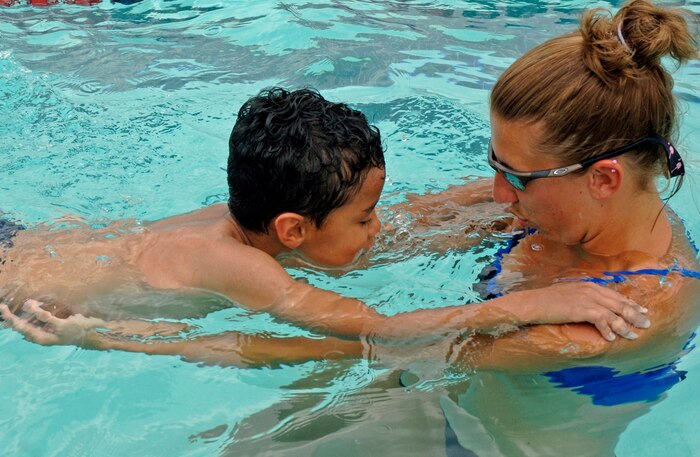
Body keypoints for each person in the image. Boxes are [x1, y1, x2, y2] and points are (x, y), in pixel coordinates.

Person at [5, 1, 697, 455]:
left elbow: (364, 351)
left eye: (515, 177)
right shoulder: (538, 206)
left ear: (603, 176)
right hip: (420, 396)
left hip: (479, 443)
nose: (492, 193)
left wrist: (114, 339)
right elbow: (350, 237)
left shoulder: (635, 308)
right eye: (494, 163)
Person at [0, 88, 646, 352]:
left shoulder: (244, 217)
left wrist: (525, 189)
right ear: (291, 230)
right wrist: (531, 304)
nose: (379, 226)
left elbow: (404, 220)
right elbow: (377, 328)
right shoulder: (239, 265)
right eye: (364, 217)